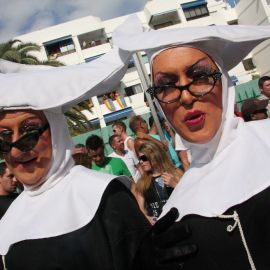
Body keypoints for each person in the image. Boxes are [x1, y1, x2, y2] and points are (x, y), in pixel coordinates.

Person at [0, 49, 196, 270]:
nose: (16, 149)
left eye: (29, 131)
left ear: (56, 131)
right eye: (4, 137)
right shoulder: (7, 222)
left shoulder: (105, 196)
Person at [114, 15, 270, 269]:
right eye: (167, 86)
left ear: (223, 80)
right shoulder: (176, 212)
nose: (185, 97)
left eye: (199, 77)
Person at [134, 140, 183, 224]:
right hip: (159, 225)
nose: (141, 162)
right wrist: (147, 218)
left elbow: (189, 194)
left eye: (144, 158)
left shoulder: (175, 172)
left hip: (180, 220)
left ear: (155, 156)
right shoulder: (142, 182)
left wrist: (175, 185)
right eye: (139, 159)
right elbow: (140, 209)